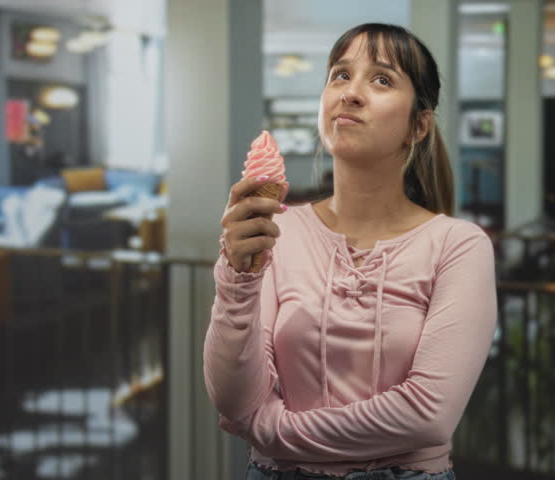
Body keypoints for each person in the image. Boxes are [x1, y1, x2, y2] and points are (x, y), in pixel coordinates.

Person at [205, 23, 498, 480]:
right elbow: (234, 399)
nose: (351, 93)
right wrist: (236, 278)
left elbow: (428, 414)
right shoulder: (278, 231)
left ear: (418, 125)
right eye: (340, 75)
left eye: (381, 80)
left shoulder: (458, 245)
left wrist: (271, 431)